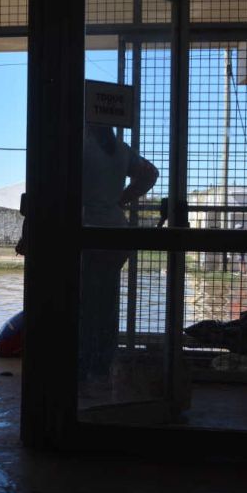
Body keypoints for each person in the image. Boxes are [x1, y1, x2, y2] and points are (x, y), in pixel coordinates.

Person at [80, 124, 158, 382]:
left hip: (86, 232)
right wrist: (119, 200)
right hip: (116, 233)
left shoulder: (80, 146)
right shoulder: (121, 151)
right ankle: (102, 363)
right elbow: (150, 174)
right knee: (107, 301)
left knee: (82, 302)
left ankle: (81, 363)